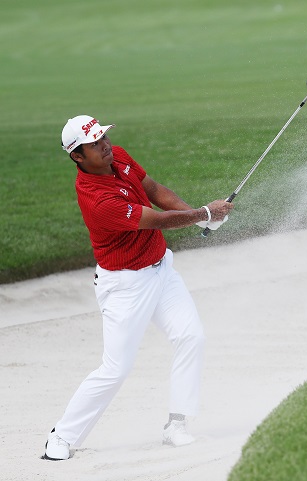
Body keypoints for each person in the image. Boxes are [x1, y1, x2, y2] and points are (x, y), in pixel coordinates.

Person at [43, 115, 234, 461]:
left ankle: (177, 425)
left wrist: (199, 213)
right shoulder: (97, 199)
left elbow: (156, 192)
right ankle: (62, 436)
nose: (105, 145)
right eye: (95, 143)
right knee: (115, 368)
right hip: (125, 286)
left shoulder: (119, 157)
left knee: (191, 337)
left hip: (162, 270)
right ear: (78, 156)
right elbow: (154, 219)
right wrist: (205, 213)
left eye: (103, 137)